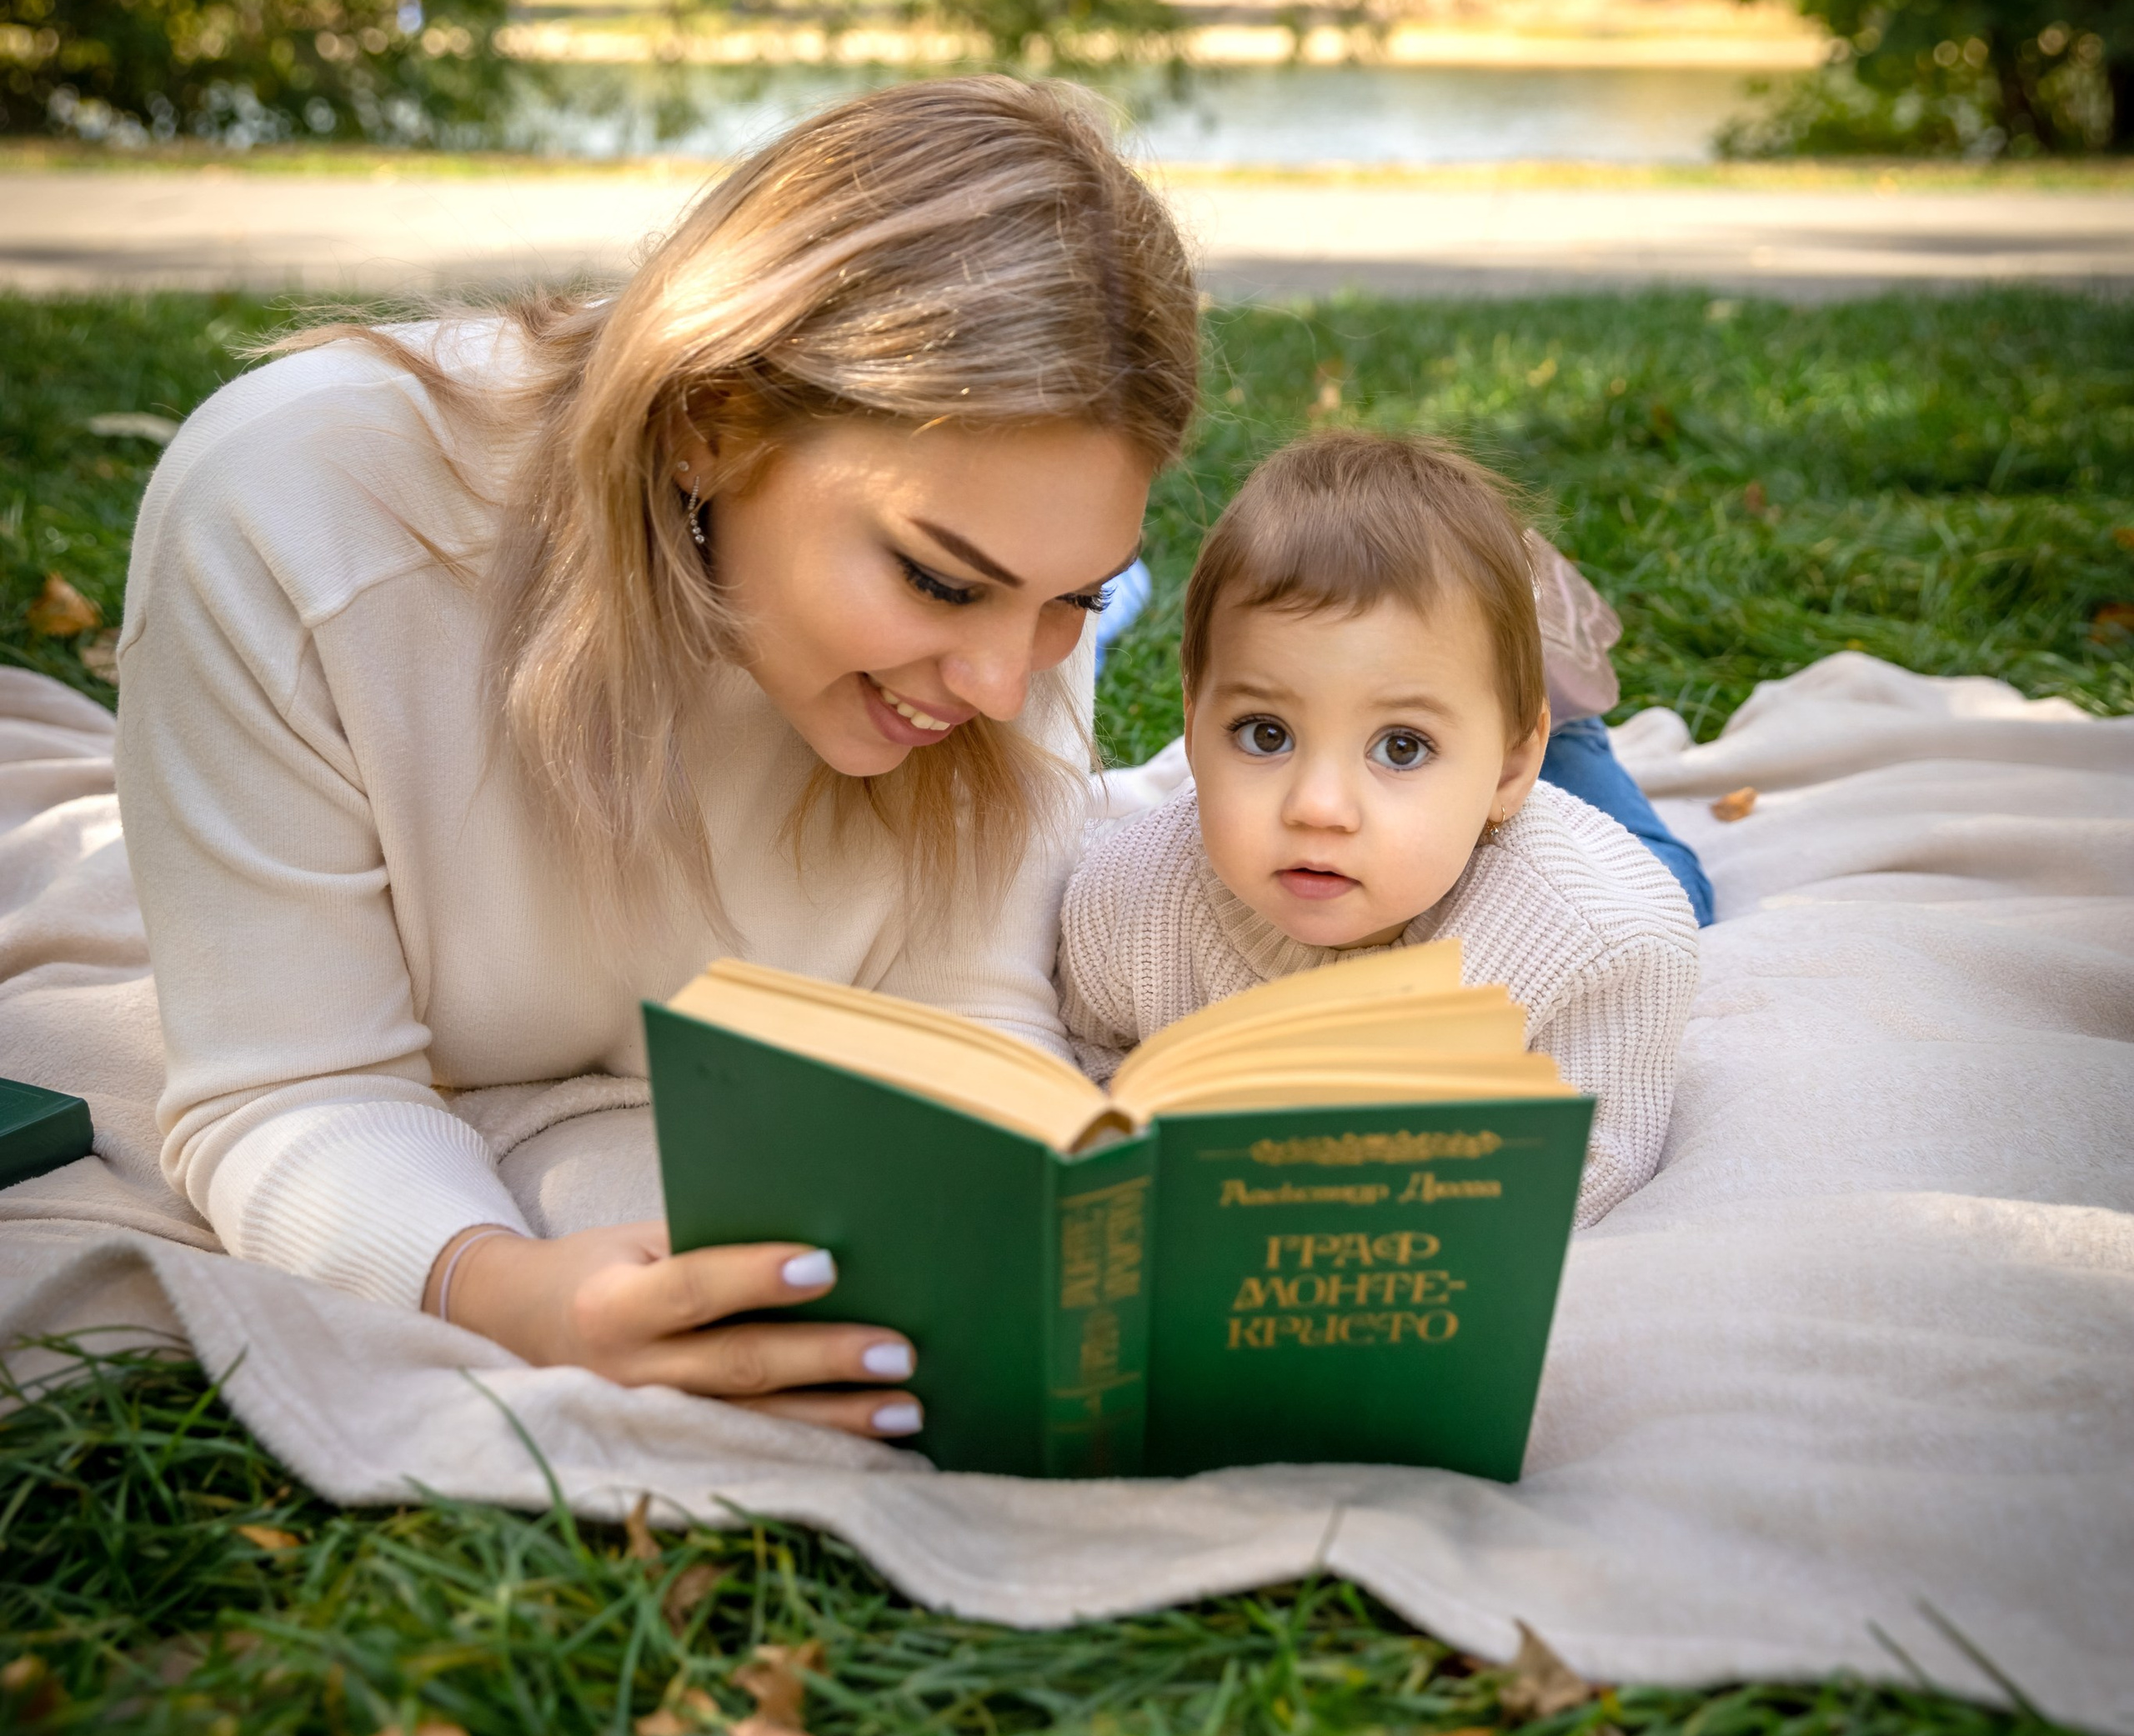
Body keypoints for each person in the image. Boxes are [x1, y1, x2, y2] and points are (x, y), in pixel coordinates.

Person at [113, 78, 1200, 1437]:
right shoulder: (294, 515)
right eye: (936, 581)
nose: (998, 684)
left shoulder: (1008, 604)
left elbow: (965, 1016)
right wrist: (506, 1294)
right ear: (710, 423)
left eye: (1082, 599)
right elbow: (287, 1087)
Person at [1057, 431, 1700, 1226]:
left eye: (1402, 747)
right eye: (1265, 733)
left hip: (1553, 831)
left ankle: (1569, 735)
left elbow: (1598, 1156)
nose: (1318, 806)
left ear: (1505, 768)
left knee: (1688, 879)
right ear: (1192, 725)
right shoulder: (1123, 902)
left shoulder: (1599, 935)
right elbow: (1088, 1058)